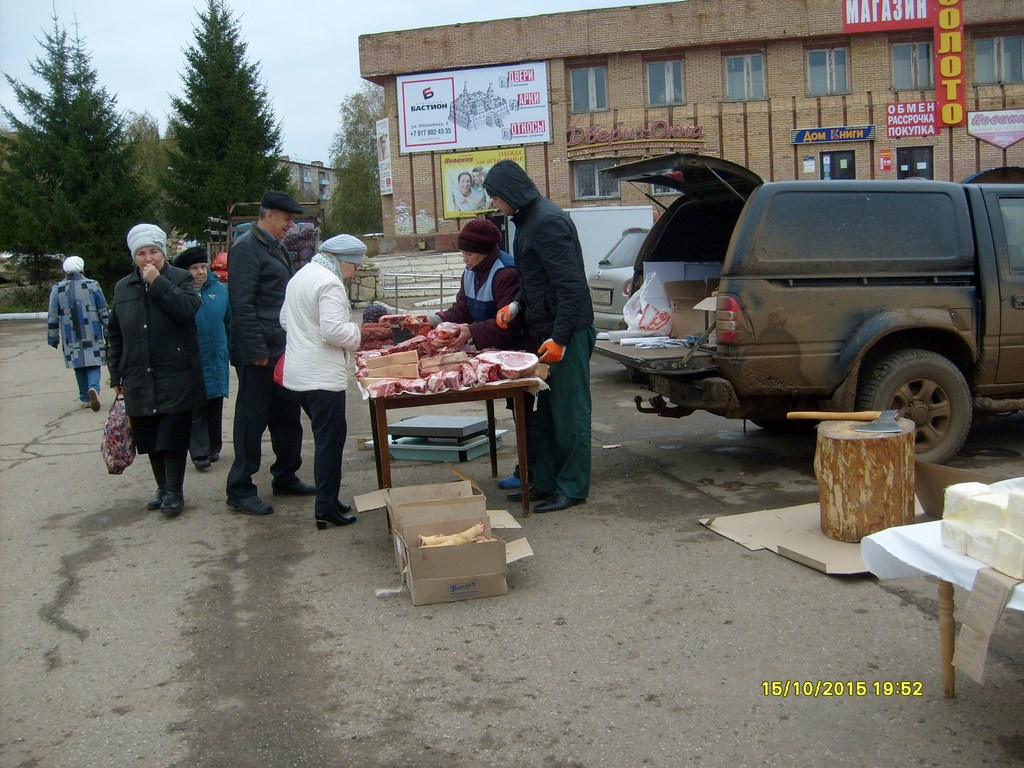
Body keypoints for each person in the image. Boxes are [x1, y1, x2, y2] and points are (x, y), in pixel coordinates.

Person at [484, 160, 597, 513]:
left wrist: (561, 339)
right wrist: (516, 306)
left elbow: (571, 286)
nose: (494, 205)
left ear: (510, 193)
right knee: (545, 412)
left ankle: (572, 487)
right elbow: (535, 279)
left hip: (567, 332)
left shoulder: (547, 222)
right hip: (544, 329)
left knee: (569, 413)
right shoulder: (526, 221)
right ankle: (545, 482)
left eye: (495, 198)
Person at [107, 224, 206, 516]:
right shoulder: (123, 287)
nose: (148, 258)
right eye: (141, 253)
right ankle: (162, 487)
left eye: (153, 252)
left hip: (175, 371)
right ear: (133, 256)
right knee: (149, 436)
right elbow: (114, 334)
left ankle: (175, 491)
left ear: (163, 253)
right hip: (137, 373)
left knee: (172, 435)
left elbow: (187, 310)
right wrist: (116, 374)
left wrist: (157, 283)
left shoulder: (180, 278)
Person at [225, 190, 314, 516]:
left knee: (287, 415)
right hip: (258, 351)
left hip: (280, 347)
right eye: (287, 220)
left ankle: (286, 475)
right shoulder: (246, 248)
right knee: (252, 419)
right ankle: (240, 488)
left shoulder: (273, 246)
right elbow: (242, 305)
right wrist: (255, 350)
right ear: (269, 216)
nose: (290, 226)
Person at [429, 218, 535, 490]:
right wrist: (434, 320)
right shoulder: (470, 271)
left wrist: (472, 332)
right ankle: (528, 467)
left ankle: (531, 470)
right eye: (462, 252)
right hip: (491, 351)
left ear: (486, 251)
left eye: (469, 253)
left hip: (517, 350)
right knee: (517, 412)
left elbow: (508, 324)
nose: (465, 257)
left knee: (527, 414)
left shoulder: (505, 273)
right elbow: (461, 311)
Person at [279, 234, 365, 530]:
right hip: (322, 377)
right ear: (342, 261)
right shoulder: (329, 283)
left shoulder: (301, 276)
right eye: (355, 266)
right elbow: (333, 332)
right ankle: (326, 508)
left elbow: (284, 320)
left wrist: (305, 335)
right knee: (330, 442)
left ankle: (330, 498)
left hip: (299, 374)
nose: (355, 272)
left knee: (325, 438)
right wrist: (358, 333)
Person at [173, 247, 230, 471]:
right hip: (192, 358)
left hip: (217, 356)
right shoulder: (179, 294)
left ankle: (213, 446)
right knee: (196, 406)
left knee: (215, 403)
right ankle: (198, 452)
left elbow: (228, 322)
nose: (200, 272)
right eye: (194, 268)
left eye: (203, 267)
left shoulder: (219, 290)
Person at [47, 255, 109, 412]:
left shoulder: (58, 288)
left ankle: (84, 398)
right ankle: (94, 388)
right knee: (94, 363)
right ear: (81, 268)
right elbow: (103, 309)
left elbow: (53, 314)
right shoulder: (92, 285)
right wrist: (108, 330)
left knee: (78, 365)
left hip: (70, 333)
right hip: (92, 331)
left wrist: (53, 337)